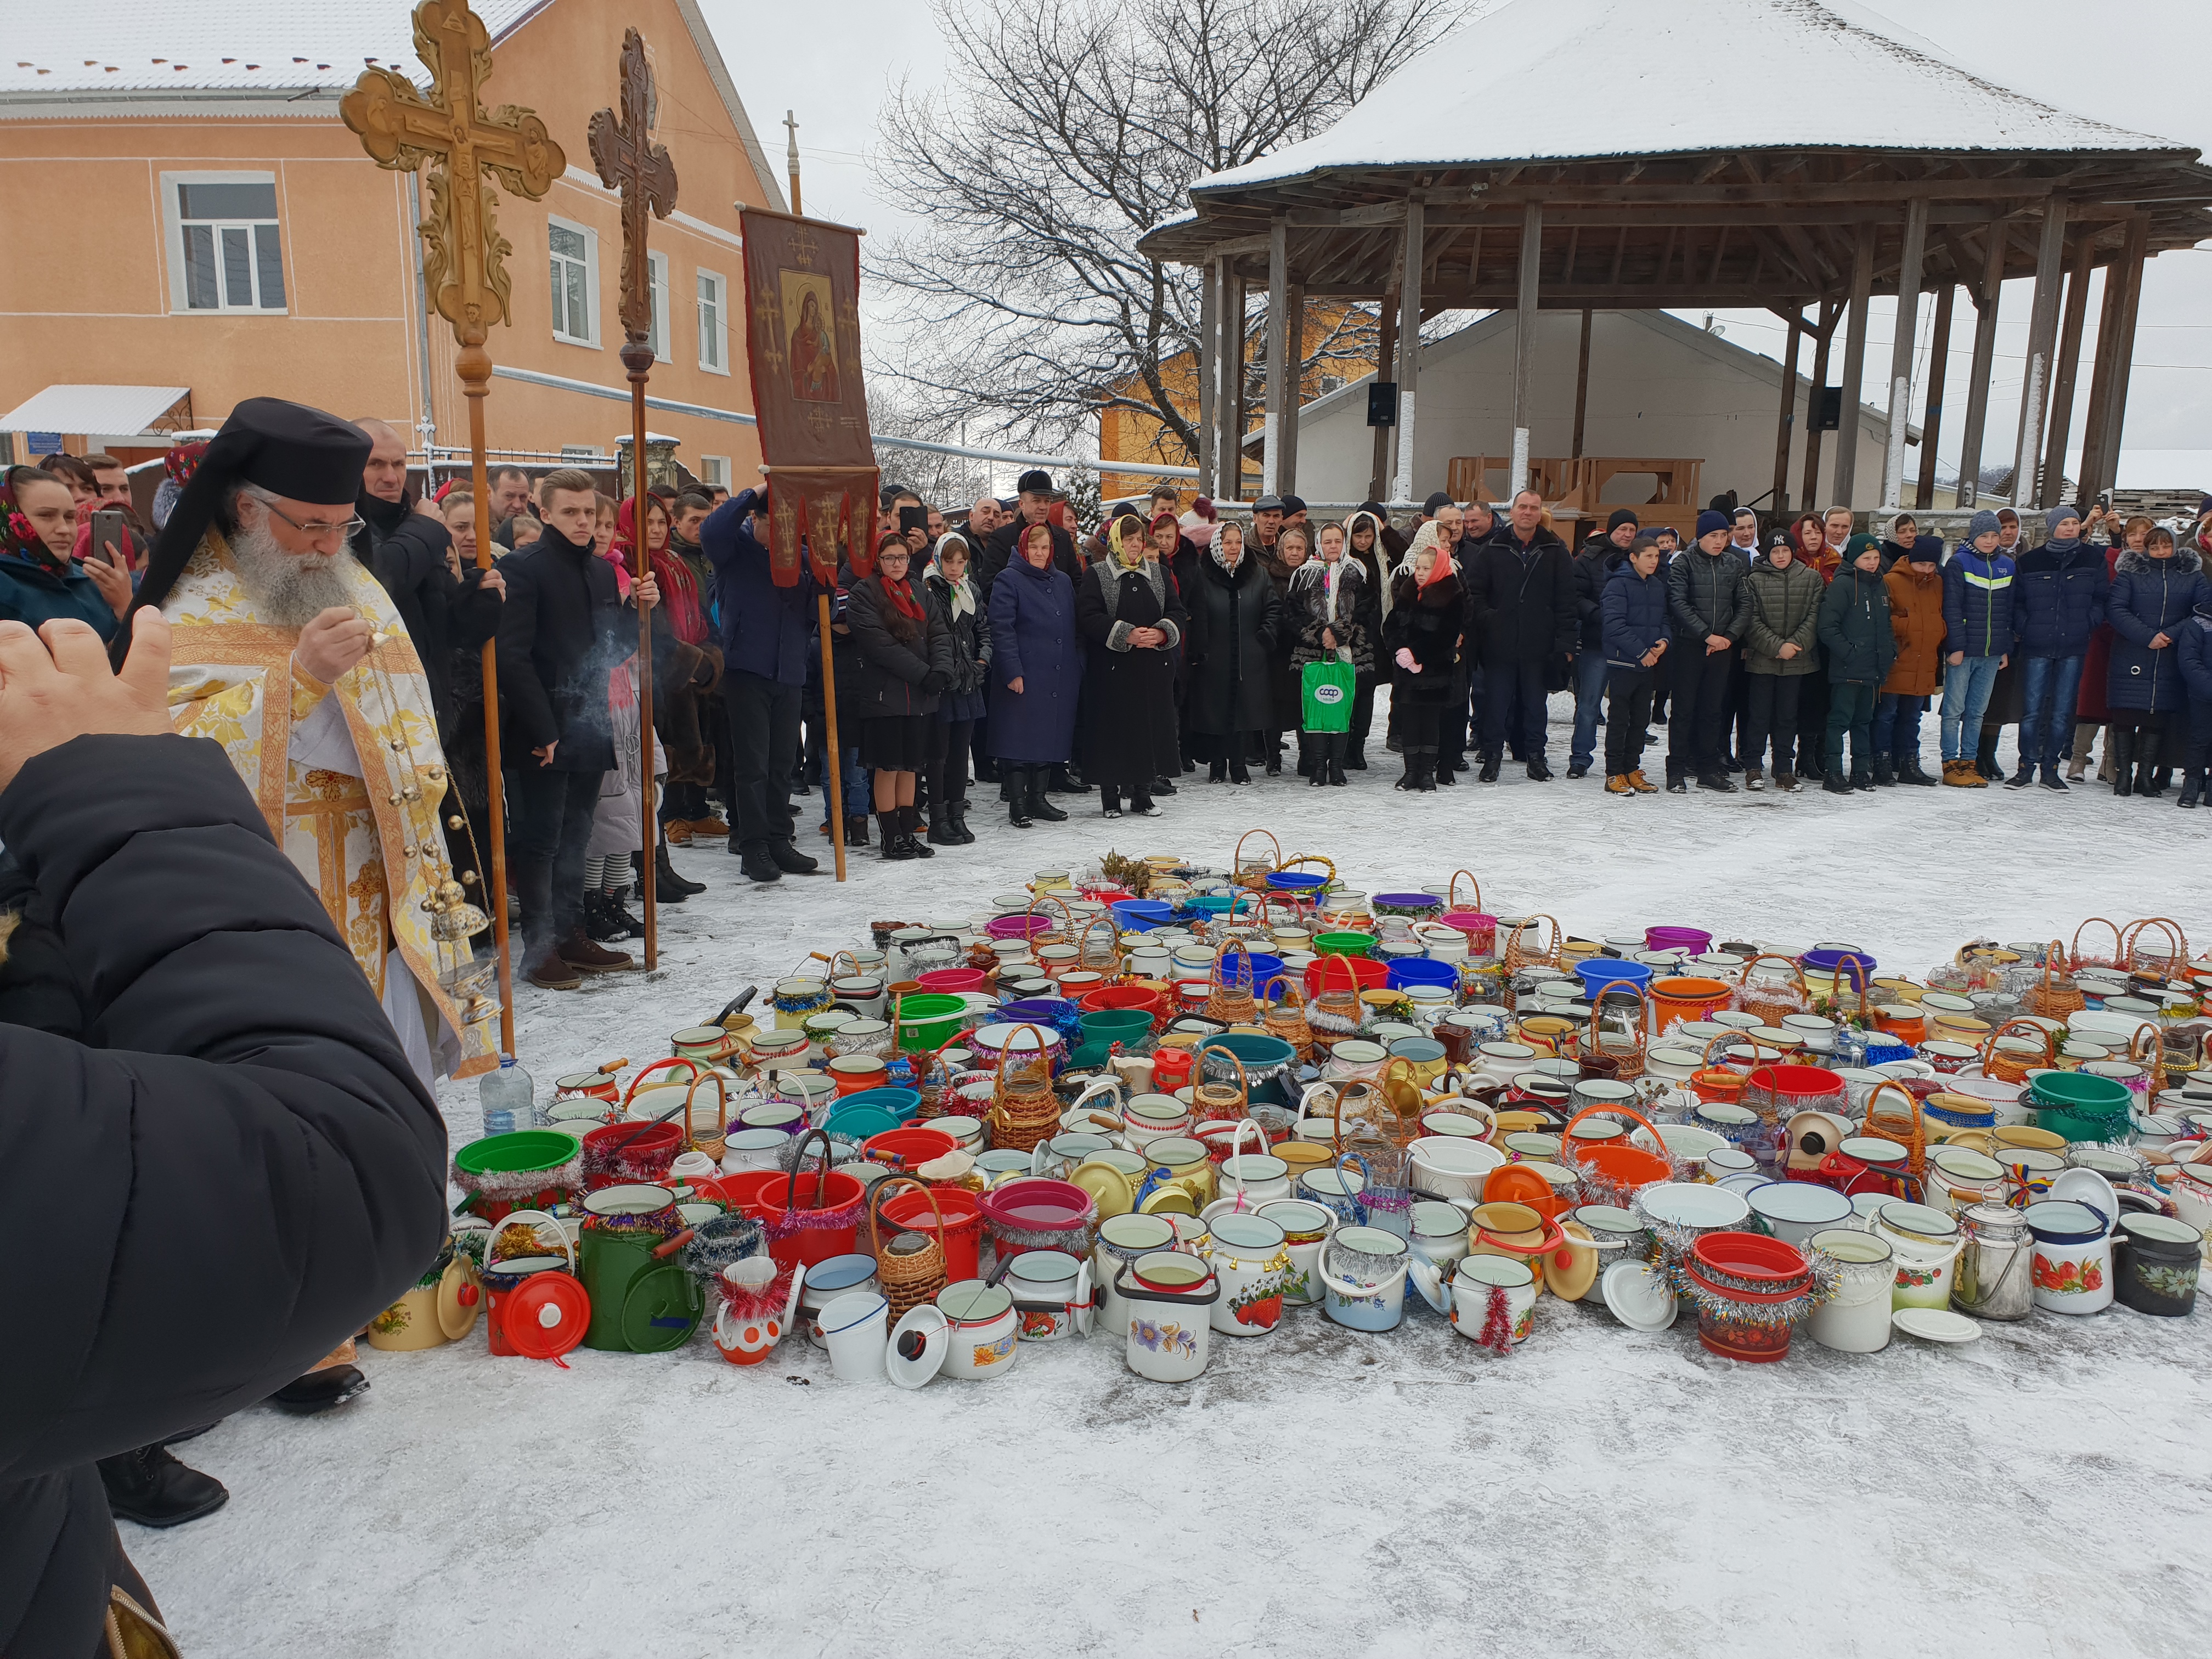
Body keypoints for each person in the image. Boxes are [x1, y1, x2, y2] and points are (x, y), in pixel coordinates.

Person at [0, 607, 449, 1658]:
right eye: (311, 519)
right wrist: (285, 682)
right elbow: (328, 1169)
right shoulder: (190, 608)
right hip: (222, 905)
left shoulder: (366, 590)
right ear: (250, 509)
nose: (333, 531)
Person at [496, 467, 659, 985]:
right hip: (541, 725)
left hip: (591, 721)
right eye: (570, 511)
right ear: (545, 513)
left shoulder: (597, 571)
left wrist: (640, 613)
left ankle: (571, 934)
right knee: (541, 839)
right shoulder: (525, 568)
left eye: (589, 511)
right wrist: (544, 729)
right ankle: (538, 948)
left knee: (577, 836)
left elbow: (613, 652)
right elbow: (512, 656)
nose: (583, 521)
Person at [347, 418, 503, 744]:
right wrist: (422, 528)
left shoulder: (418, 524)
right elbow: (382, 583)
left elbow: (449, 631)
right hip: (374, 710)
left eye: (399, 464)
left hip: (433, 707)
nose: (391, 477)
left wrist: (478, 600)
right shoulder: (343, 525)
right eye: (375, 464)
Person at [701, 487, 821, 882]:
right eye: (775, 524)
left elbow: (822, 605)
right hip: (747, 669)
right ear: (758, 519)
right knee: (752, 765)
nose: (783, 533)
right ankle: (752, 846)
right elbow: (711, 533)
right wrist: (752, 495)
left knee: (782, 763)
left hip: (789, 672)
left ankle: (779, 840)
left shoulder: (803, 559)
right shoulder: (735, 549)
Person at [846, 532, 956, 857]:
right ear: (878, 561)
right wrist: (925, 674)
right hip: (886, 695)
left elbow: (939, 633)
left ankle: (908, 833)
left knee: (912, 766)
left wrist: (942, 670)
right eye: (890, 558)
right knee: (888, 766)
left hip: (921, 696)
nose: (897, 563)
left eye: (903, 557)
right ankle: (891, 836)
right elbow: (881, 647)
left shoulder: (919, 590)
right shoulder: (863, 593)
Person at [1076, 511, 1186, 817]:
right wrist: (1127, 634)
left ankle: (1143, 795)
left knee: (1147, 731)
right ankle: (1110, 798)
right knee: (1112, 733)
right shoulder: (1096, 574)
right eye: (1129, 539)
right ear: (1115, 542)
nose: (1136, 545)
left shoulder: (1159, 574)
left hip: (1152, 669)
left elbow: (1177, 611)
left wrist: (1162, 632)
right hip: (1112, 670)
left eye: (1139, 539)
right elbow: (1089, 616)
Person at [1465, 488, 1575, 782]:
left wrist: (1564, 642)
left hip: (1539, 645)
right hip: (1499, 644)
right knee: (1495, 704)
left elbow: (1567, 600)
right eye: (1523, 507)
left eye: (1534, 508)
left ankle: (1536, 758)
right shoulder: (1493, 549)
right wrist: (1491, 620)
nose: (1528, 512)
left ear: (1540, 514)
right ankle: (1492, 758)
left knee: (1536, 707)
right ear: (1512, 512)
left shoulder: (1555, 550)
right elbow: (1475, 594)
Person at [2010, 504, 2108, 792]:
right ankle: (2026, 767)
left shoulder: (2093, 559)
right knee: (2031, 711)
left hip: (2074, 644)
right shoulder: (2030, 561)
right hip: (2037, 643)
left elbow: (2102, 598)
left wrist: (2088, 622)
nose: (2070, 528)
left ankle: (2051, 770)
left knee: (2063, 711)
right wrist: (2024, 626)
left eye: (2075, 524)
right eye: (2064, 523)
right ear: (2053, 527)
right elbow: (2017, 602)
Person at [989, 520, 1082, 825]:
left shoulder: (1063, 581)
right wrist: (1012, 670)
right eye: (1034, 547)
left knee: (1048, 737)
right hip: (1025, 672)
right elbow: (1001, 629)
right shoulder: (1009, 579)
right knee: (1017, 739)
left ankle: (1039, 799)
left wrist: (1076, 664)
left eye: (1045, 548)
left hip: (1057, 673)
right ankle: (1018, 803)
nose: (1040, 553)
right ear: (1023, 548)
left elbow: (1072, 626)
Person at [2104, 523, 2207, 797]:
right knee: (2126, 712)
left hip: (2170, 653)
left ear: (2175, 546)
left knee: (2157, 715)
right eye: (2155, 547)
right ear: (2147, 549)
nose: (2161, 552)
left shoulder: (2193, 577)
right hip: (2132, 650)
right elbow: (2116, 609)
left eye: (2166, 546)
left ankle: (2145, 775)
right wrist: (2147, 636)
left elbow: (2201, 611)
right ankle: (2123, 775)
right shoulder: (2130, 574)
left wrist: (2170, 635)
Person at [1183, 520, 1280, 785]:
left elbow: (1273, 608)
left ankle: (1239, 765)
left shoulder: (1258, 574)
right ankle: (1217, 765)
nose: (1234, 547)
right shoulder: (1201, 574)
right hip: (1213, 656)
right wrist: (1198, 647)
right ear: (1218, 544)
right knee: (1215, 710)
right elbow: (1192, 611)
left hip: (1249, 655)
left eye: (1238, 542)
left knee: (1243, 712)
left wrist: (1264, 638)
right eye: (1227, 542)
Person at [1663, 509, 1751, 792]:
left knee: (1713, 710)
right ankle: (1676, 769)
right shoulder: (1683, 563)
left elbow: (1745, 603)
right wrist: (1707, 636)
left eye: (1724, 535)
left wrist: (1728, 637)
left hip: (1723, 647)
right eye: (1713, 535)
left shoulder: (1733, 563)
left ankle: (1708, 769)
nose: (1719, 541)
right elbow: (1678, 602)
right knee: (1684, 709)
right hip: (1691, 646)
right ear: (1701, 536)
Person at [1286, 519, 1373, 788]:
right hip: (1311, 652)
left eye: (1337, 541)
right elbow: (1292, 612)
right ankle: (1313, 761)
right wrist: (1320, 633)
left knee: (1340, 707)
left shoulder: (1358, 572)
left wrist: (1340, 632)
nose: (1333, 546)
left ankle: (1337, 764)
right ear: (1319, 544)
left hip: (1348, 651)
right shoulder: (1303, 574)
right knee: (1313, 706)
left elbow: (1368, 610)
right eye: (1327, 541)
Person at [1739, 531, 1823, 792]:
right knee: (1758, 715)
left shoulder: (1811, 578)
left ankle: (1784, 768)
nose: (1781, 556)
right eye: (1775, 552)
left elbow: (1814, 615)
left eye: (1785, 551)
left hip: (1797, 660)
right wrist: (1777, 647)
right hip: (1763, 659)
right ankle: (1753, 766)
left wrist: (1794, 646)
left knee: (1788, 716)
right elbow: (1750, 620)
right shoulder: (1753, 580)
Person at [1383, 523, 1464, 792]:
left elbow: (1447, 634)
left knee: (1430, 723)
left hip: (1434, 673)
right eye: (1418, 568)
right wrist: (1400, 651)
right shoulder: (1408, 592)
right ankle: (1410, 771)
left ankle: (1427, 772)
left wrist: (1419, 655)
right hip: (1407, 674)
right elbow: (1392, 625)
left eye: (1426, 569)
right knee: (1410, 722)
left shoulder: (1451, 594)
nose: (1419, 574)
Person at [1, 466, 128, 635]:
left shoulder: (91, 579)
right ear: (10, 517)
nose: (64, 529)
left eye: (69, 517)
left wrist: (125, 607)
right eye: (46, 516)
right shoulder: (6, 589)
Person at [1939, 509, 2016, 787]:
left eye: (1995, 535)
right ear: (1974, 536)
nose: (1990, 540)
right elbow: (1952, 606)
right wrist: (1955, 646)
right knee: (1954, 709)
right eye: (1985, 535)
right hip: (1965, 650)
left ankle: (1969, 762)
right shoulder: (1959, 563)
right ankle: (1950, 763)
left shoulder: (2007, 565)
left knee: (1977, 711)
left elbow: (2008, 611)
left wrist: (2005, 648)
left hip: (1992, 651)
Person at [923, 533, 990, 844]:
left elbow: (983, 629)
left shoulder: (970, 589)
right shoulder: (927, 589)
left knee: (962, 754)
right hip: (942, 683)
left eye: (961, 562)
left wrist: (982, 661)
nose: (955, 568)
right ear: (939, 559)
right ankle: (938, 819)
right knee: (939, 754)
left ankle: (957, 815)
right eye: (949, 562)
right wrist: (942, 669)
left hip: (968, 681)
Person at [2072, 515, 2149, 781]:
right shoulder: (2111, 560)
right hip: (2103, 636)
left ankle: (2111, 763)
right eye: (2133, 534)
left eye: (2145, 533)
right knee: (2092, 699)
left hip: (2136, 643)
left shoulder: (2158, 566)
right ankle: (2078, 760)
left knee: (2122, 704)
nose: (2139, 539)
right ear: (2125, 537)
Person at [1817, 538, 1896, 793]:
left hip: (1873, 668)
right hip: (1848, 669)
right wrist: (1849, 654)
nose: (1872, 564)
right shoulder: (1843, 585)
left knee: (1863, 721)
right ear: (1853, 559)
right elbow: (1827, 627)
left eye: (1875, 559)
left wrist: (1889, 652)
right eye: (1866, 559)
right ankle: (1833, 771)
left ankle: (1861, 771)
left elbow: (1885, 625)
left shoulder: (1880, 583)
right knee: (1839, 721)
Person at [1570, 509, 1640, 778]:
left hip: (1632, 645)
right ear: (1610, 530)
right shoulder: (1590, 559)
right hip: (1597, 641)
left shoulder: (1642, 558)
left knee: (1626, 708)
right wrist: (1600, 616)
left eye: (1632, 530)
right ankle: (1580, 758)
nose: (1627, 535)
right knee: (1589, 705)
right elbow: (1576, 596)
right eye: (1622, 529)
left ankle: (1625, 760)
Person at [1599, 532, 1668, 793]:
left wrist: (1664, 641)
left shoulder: (1658, 585)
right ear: (1633, 558)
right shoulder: (1618, 585)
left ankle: (1632, 768)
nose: (1653, 561)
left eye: (1657, 556)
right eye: (1648, 556)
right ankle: (1614, 772)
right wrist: (1641, 652)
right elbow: (1614, 626)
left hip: (1649, 664)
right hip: (1623, 664)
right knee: (1620, 719)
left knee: (1641, 720)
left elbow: (1664, 620)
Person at [1878, 537, 1946, 787]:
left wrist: (1939, 631)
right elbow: (1883, 619)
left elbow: (1941, 615)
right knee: (1886, 714)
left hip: (1924, 659)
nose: (1926, 570)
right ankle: (1882, 761)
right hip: (1899, 658)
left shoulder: (1938, 583)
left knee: (1912, 717)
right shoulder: (1891, 581)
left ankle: (1909, 762)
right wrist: (1910, 626)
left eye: (1931, 566)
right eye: (1922, 565)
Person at [1255, 521, 1311, 775]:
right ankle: (1273, 757)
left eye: (1300, 548)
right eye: (1290, 547)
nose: (1295, 552)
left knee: (1304, 704)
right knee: (1274, 705)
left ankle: (1306, 756)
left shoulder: (1314, 575)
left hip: (1305, 649)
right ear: (1281, 549)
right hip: (1277, 649)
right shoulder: (1268, 573)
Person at [1340, 510, 1390, 770]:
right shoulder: (1344, 561)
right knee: (1348, 690)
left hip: (1373, 636)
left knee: (1366, 691)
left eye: (1368, 536)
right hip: (1348, 634)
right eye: (1358, 535)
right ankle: (1343, 744)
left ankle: (1359, 745)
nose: (1363, 541)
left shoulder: (1380, 560)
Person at [986, 469, 1083, 586]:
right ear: (1022, 504)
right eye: (1036, 501)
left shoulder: (1062, 537)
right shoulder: (1002, 539)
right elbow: (991, 586)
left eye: (1047, 501)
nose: (1043, 507)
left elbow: (1077, 582)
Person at [2176, 589, 2212, 808]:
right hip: (2202, 691)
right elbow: (2189, 659)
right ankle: (2191, 783)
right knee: (2199, 738)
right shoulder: (2199, 623)